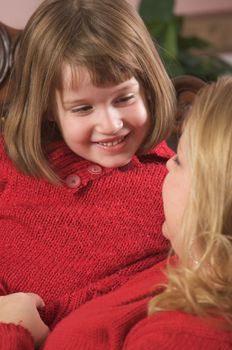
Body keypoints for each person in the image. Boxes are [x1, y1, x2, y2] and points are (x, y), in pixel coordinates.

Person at [1, 76, 231, 349]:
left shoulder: (187, 334)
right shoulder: (188, 268)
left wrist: (12, 332)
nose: (167, 164)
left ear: (212, 197)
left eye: (180, 160)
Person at [0, 0, 176, 346]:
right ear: (48, 109)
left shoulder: (170, 185)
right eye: (83, 107)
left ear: (147, 87)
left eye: (124, 98)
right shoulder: (10, 162)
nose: (111, 125)